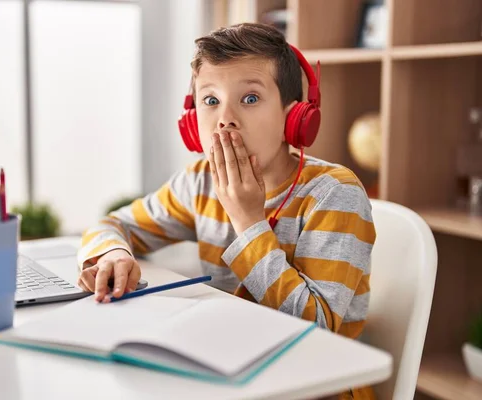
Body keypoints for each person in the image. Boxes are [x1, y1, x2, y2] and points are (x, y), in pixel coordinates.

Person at [77, 23, 377, 399]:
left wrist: (247, 221)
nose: (225, 119)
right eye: (210, 100)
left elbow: (315, 331)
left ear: (294, 116)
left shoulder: (334, 194)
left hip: (314, 388)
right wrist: (113, 252)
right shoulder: (199, 182)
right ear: (192, 121)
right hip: (231, 377)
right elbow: (112, 224)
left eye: (249, 98)